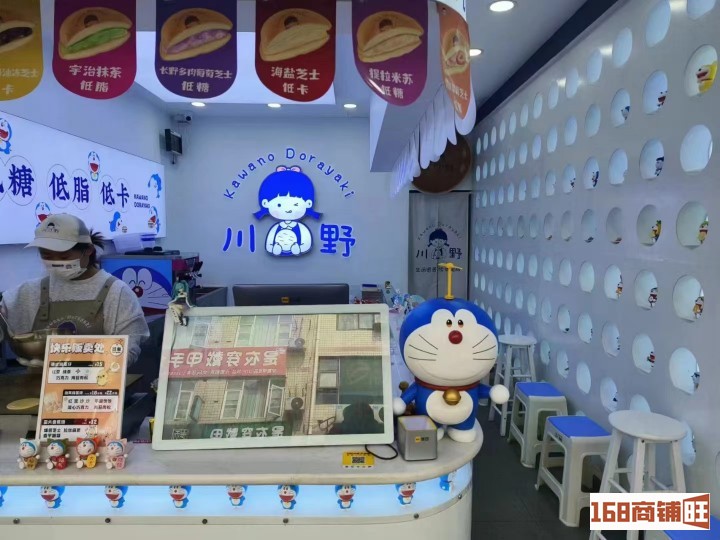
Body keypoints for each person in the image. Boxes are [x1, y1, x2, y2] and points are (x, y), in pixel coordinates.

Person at [0, 214, 149, 365]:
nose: (56, 262)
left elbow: (127, 351)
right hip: (35, 379)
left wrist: (76, 365)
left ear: (88, 250)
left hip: (100, 377)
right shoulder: (29, 292)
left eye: (64, 257)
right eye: (47, 256)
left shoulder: (117, 294)